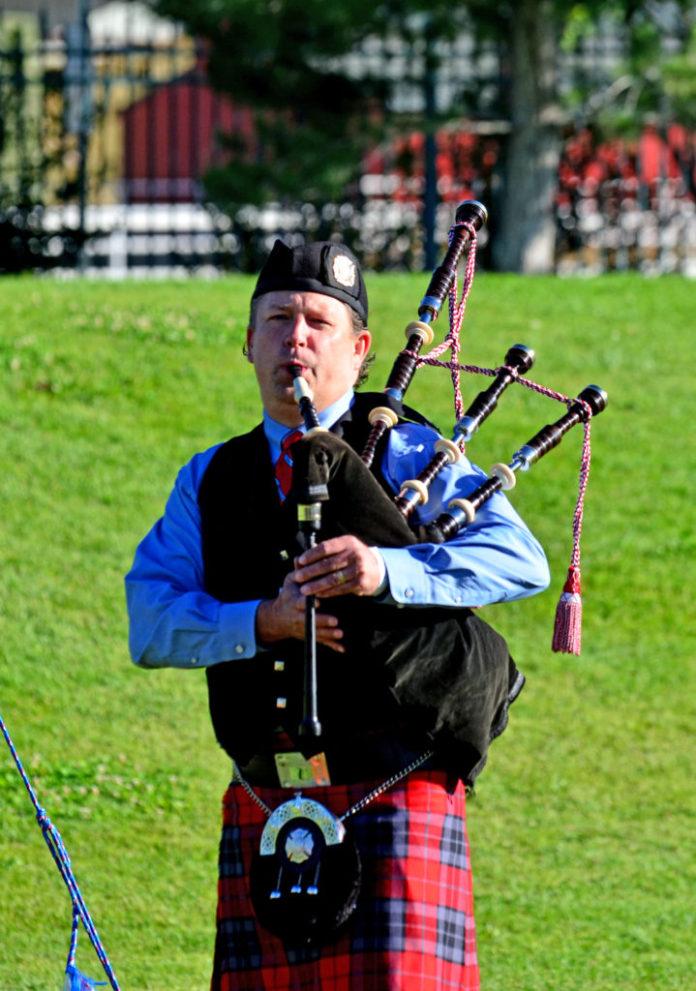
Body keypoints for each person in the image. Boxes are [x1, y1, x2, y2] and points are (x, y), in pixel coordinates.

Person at [126, 240, 550, 991]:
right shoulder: (211, 479)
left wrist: (384, 568)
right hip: (268, 797)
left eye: (319, 321)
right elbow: (151, 618)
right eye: (280, 318)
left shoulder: (412, 452)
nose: (297, 338)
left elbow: (520, 560)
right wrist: (262, 621)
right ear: (249, 342)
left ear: (358, 350)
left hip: (397, 791)